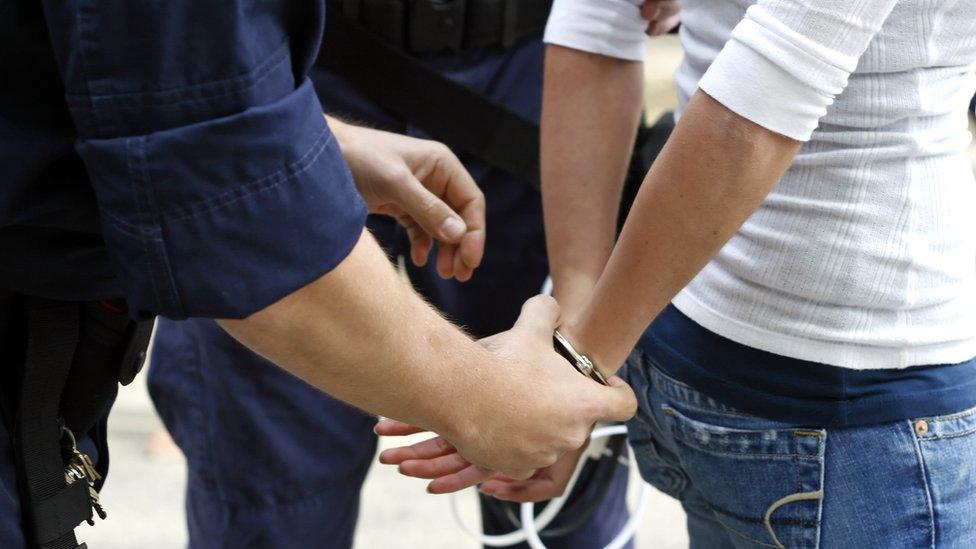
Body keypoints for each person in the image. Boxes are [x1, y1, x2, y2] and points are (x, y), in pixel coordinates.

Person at [0, 2, 638, 547]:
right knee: (271, 500)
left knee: (571, 501)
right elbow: (237, 219)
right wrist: (478, 398)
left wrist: (308, 140)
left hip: (522, 74)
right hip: (285, 67)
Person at [382, 0, 976, 547]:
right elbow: (762, 100)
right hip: (846, 398)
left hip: (687, 353)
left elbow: (595, 18)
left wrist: (577, 344)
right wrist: (577, 364)